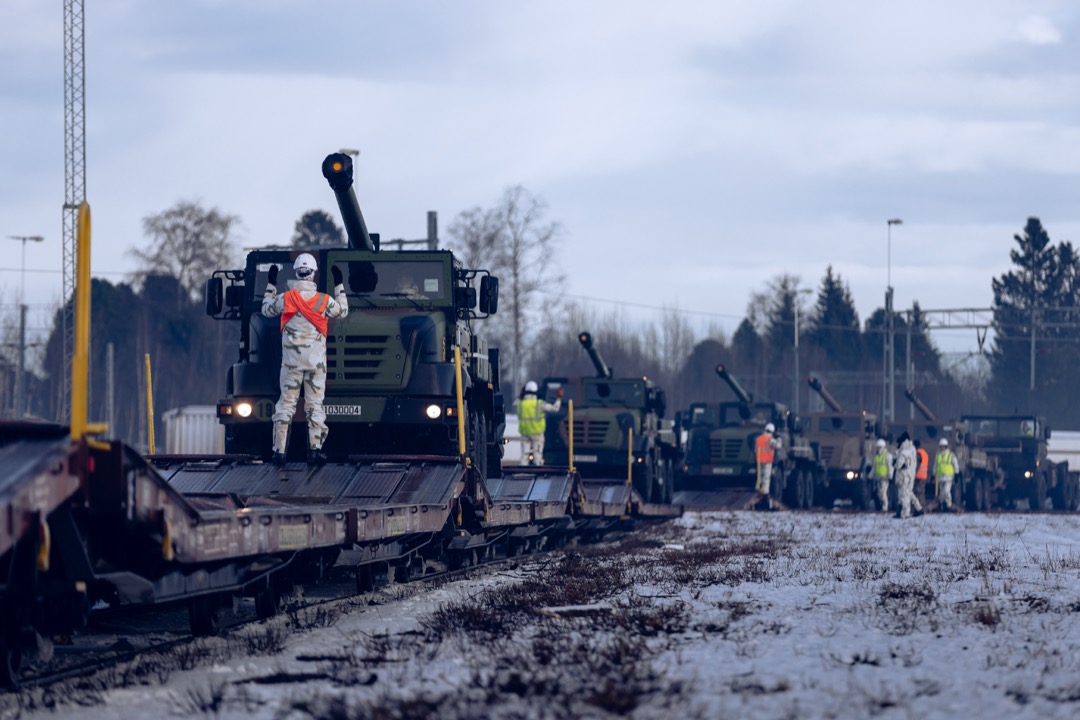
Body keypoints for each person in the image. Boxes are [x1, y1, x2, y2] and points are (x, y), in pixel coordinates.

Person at [263, 253, 348, 465]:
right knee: (315, 405)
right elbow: (343, 311)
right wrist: (339, 285)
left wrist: (271, 284)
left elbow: (266, 309)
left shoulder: (285, 299)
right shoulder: (324, 301)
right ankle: (315, 451)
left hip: (291, 363)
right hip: (315, 364)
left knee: (286, 404)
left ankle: (279, 451)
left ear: (296, 272)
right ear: (313, 273)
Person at [517, 381, 563, 465]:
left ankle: (522, 473)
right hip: (537, 434)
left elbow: (518, 400)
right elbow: (555, 409)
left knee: (524, 456)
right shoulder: (539, 404)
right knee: (537, 456)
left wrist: (522, 393)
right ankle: (538, 473)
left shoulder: (520, 404)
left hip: (525, 433)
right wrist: (559, 398)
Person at [894, 432, 923, 519]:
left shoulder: (904, 452)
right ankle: (918, 509)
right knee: (909, 493)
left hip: (904, 476)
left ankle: (905, 513)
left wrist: (894, 463)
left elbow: (898, 464)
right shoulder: (912, 449)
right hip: (910, 475)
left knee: (904, 495)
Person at [755, 423, 782, 505]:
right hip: (767, 461)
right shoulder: (770, 439)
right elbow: (778, 446)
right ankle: (765, 493)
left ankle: (759, 489)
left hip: (759, 460)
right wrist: (779, 440)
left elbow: (755, 449)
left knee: (760, 476)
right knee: (766, 477)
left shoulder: (758, 438)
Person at [934, 437, 960, 512]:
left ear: (946, 446)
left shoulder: (951, 455)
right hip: (940, 477)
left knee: (946, 491)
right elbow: (936, 465)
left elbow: (955, 465)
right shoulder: (938, 455)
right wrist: (934, 473)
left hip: (949, 478)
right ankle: (943, 505)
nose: (941, 448)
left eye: (943, 446)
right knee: (942, 493)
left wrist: (956, 474)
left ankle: (949, 505)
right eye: (940, 446)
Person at [871, 438, 893, 514]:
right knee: (879, 494)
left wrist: (890, 475)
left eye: (878, 447)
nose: (877, 449)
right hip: (878, 478)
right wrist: (870, 476)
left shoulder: (888, 456)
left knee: (883, 493)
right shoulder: (877, 457)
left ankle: (885, 507)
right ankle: (883, 506)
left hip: (884, 478)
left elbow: (890, 467)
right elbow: (874, 468)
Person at [914, 438, 930, 507]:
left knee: (917, 491)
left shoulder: (917, 453)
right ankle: (922, 504)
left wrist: (913, 473)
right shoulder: (924, 453)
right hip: (923, 475)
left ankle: (919, 506)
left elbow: (916, 465)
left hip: (918, 476)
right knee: (921, 491)